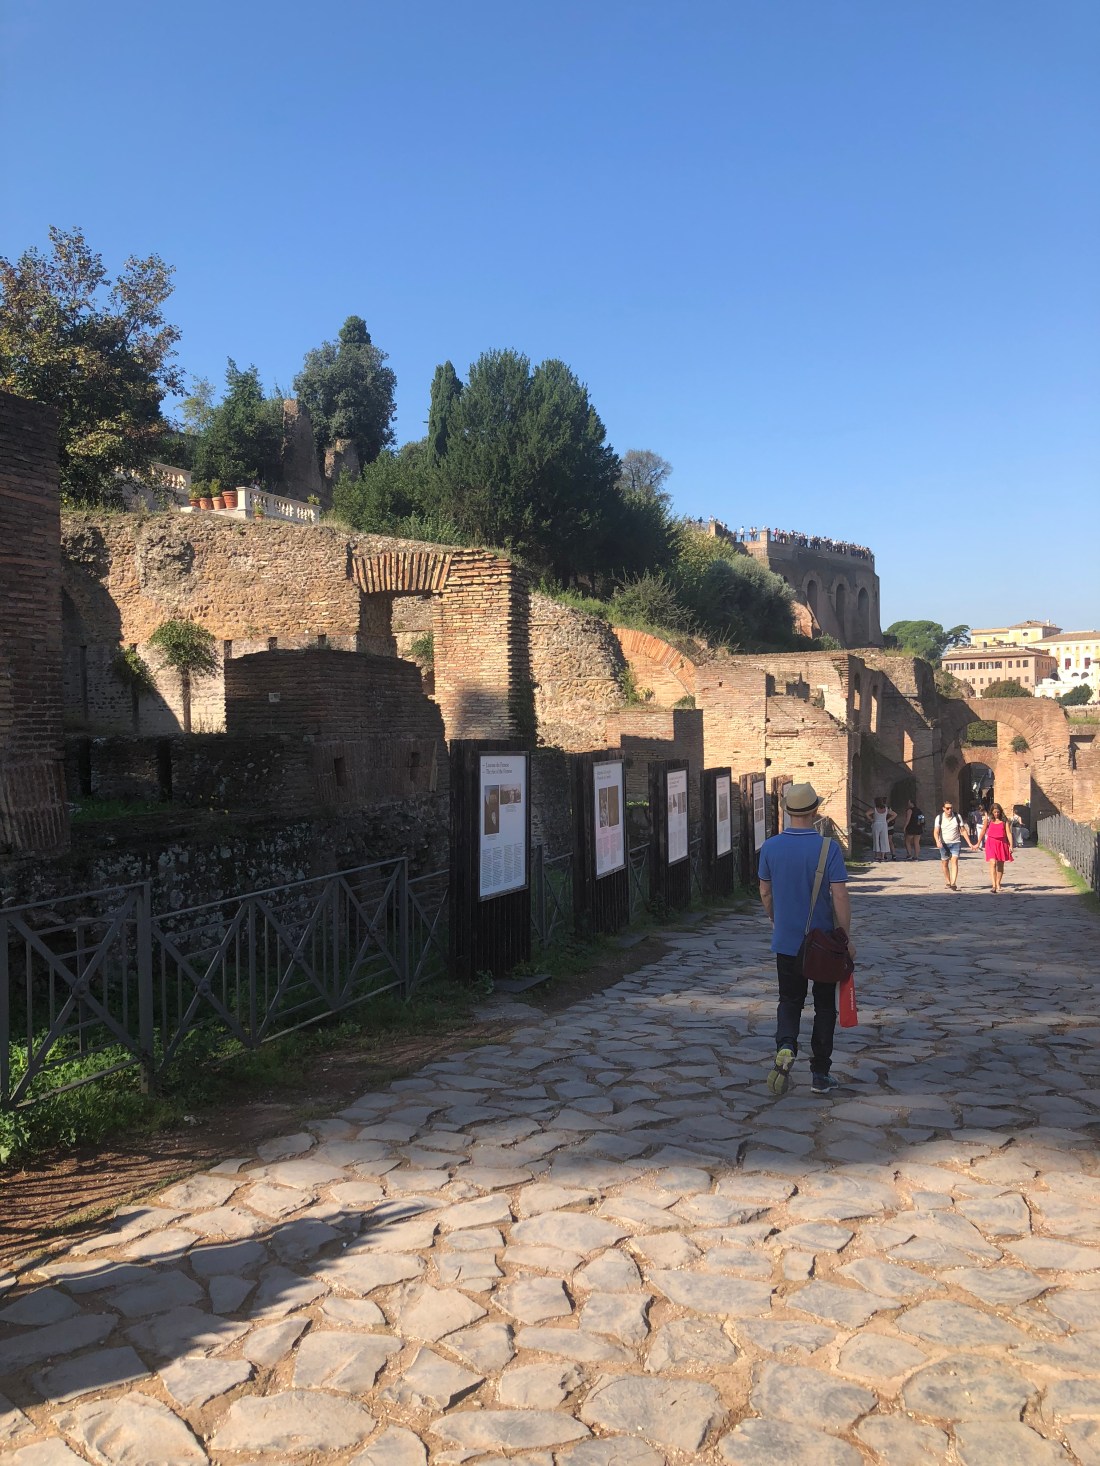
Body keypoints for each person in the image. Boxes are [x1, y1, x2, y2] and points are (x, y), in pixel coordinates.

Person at [758, 783, 855, 1097]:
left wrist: (775, 918)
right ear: (815, 811)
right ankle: (820, 1073)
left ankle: (786, 1045)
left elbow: (765, 891)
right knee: (824, 1006)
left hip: (787, 941)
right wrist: (845, 936)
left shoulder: (770, 846)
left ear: (787, 811)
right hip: (823, 944)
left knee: (789, 1000)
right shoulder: (828, 848)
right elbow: (839, 895)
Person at [934, 800, 974, 890]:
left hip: (956, 842)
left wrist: (969, 843)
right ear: (943, 809)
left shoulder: (957, 816)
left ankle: (953, 883)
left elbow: (963, 830)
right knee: (945, 863)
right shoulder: (939, 818)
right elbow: (936, 831)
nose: (949, 810)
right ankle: (948, 881)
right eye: (947, 808)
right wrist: (937, 841)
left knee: (954, 861)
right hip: (944, 844)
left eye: (951, 808)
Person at [978, 802, 1014, 893]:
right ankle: (994, 885)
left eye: (998, 812)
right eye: (995, 812)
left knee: (1000, 864)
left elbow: (1008, 833)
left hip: (1002, 843)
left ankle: (998, 883)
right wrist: (978, 843)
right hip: (991, 843)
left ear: (1000, 812)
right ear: (992, 812)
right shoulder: (989, 820)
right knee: (993, 862)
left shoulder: (1004, 821)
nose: (996, 814)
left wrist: (1011, 845)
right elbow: (983, 831)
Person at [868, 797, 896, 862]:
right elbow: (895, 814)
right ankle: (883, 856)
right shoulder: (886, 809)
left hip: (876, 824)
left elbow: (867, 813)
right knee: (884, 840)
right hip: (884, 824)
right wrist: (888, 820)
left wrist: (871, 819)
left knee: (876, 839)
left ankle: (877, 855)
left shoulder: (874, 809)